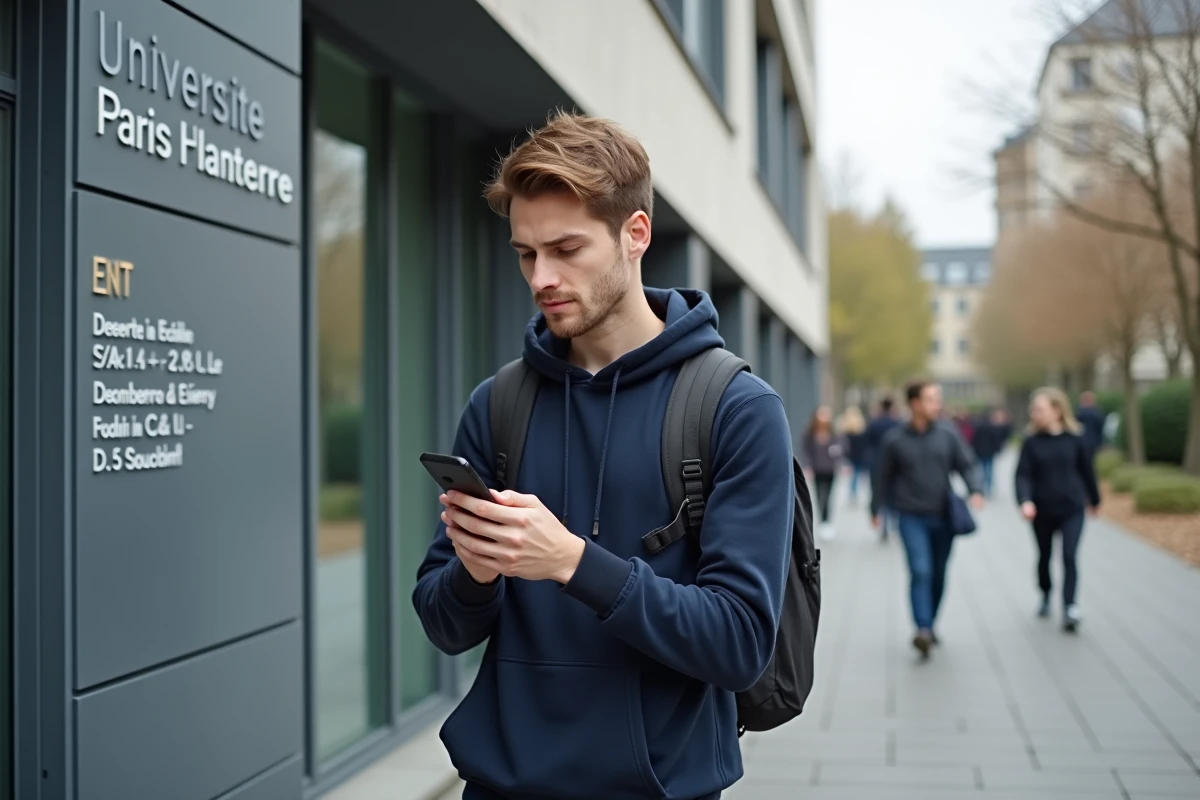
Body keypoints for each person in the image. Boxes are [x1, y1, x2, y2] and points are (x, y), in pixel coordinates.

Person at [411, 111, 794, 800]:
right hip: (501, 786)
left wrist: (572, 563)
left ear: (634, 234)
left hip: (659, 788)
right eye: (526, 253)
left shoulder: (736, 408)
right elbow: (443, 624)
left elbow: (739, 644)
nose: (541, 277)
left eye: (566, 249)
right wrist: (474, 573)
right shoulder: (498, 404)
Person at [870, 381, 984, 657]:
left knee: (938, 574)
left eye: (938, 399)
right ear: (915, 404)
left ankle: (930, 623)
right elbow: (881, 477)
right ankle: (922, 629)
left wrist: (976, 489)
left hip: (943, 517)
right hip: (910, 516)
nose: (938, 404)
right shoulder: (895, 439)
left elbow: (966, 464)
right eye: (932, 399)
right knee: (920, 570)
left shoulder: (948, 433)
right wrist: (875, 509)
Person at [1015, 388, 1101, 633]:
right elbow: (1023, 475)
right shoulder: (1031, 442)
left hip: (1072, 508)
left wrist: (1094, 500)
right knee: (1044, 556)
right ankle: (1045, 593)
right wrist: (1025, 500)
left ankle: (1070, 605)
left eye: (1040, 409)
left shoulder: (1076, 438)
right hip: (1041, 510)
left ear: (1057, 410)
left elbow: (1087, 471)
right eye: (1034, 409)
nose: (1035, 413)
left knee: (1069, 555)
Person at [803, 405, 846, 540]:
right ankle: (822, 521)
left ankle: (827, 522)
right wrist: (807, 466)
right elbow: (806, 452)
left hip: (831, 469)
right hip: (817, 469)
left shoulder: (834, 434)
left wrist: (841, 462)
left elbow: (841, 449)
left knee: (828, 495)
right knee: (819, 495)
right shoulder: (810, 434)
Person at [865, 396, 902, 540]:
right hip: (895, 464)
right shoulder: (897, 424)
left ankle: (884, 524)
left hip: (877, 462)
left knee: (880, 492)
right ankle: (893, 523)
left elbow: (867, 442)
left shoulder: (874, 424)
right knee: (893, 494)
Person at [971, 408, 1012, 498]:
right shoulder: (992, 427)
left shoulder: (979, 427)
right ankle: (988, 488)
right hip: (989, 452)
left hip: (980, 452)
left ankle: (982, 487)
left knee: (981, 470)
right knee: (989, 470)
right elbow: (996, 440)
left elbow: (974, 440)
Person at [839, 405, 870, 506]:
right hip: (859, 455)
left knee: (853, 476)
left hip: (850, 455)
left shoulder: (845, 427)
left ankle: (852, 494)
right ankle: (854, 494)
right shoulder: (861, 426)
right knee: (856, 475)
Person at [1075, 390, 1107, 456]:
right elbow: (1100, 428)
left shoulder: (1078, 413)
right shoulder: (1098, 413)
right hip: (1094, 441)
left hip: (1081, 441)